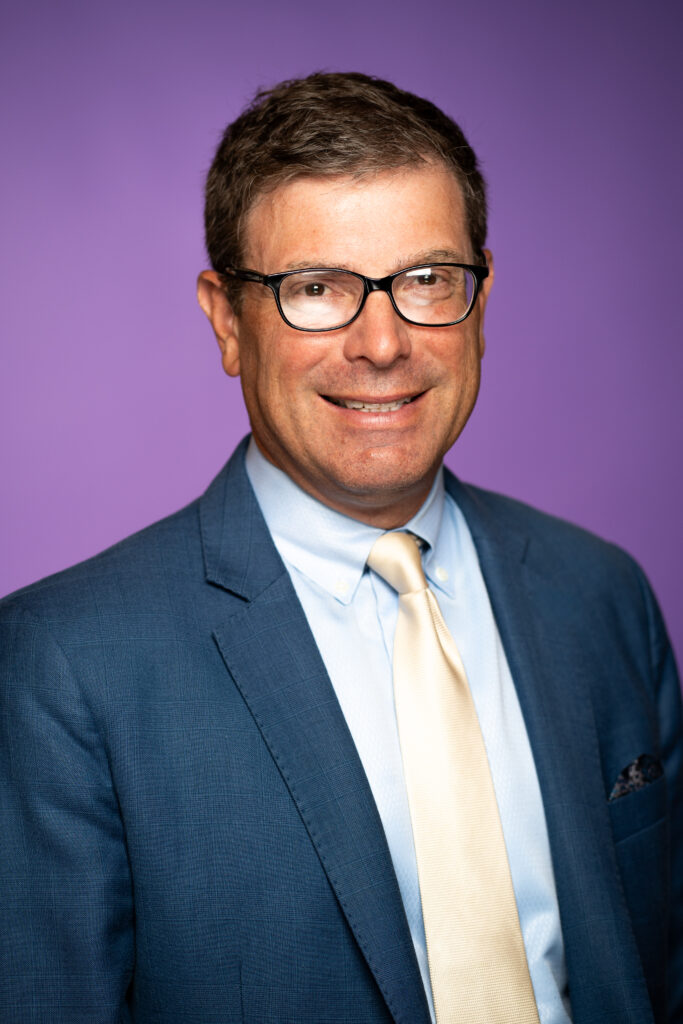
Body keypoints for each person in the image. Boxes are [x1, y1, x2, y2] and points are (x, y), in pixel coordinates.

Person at [1, 72, 681, 1024]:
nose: (382, 342)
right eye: (315, 289)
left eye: (425, 281)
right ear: (226, 319)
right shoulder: (63, 666)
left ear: (481, 299)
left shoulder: (601, 595)